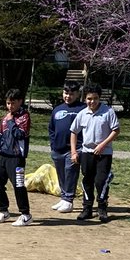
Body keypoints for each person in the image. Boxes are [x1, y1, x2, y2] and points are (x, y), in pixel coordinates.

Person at [70, 83, 120, 223]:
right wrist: (74, 152)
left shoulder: (108, 112)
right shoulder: (82, 114)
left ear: (99, 98)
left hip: (104, 153)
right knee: (87, 180)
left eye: (95, 98)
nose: (92, 102)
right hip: (87, 152)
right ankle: (87, 208)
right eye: (89, 99)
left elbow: (116, 130)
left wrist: (103, 144)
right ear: (85, 99)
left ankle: (102, 207)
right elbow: (73, 132)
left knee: (100, 181)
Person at [0, 88, 32, 226]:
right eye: (8, 103)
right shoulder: (5, 118)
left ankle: (26, 214)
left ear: (20, 102)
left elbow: (20, 135)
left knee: (18, 185)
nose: (10, 106)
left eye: (13, 103)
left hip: (17, 158)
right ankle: (3, 211)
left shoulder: (24, 117)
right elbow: (0, 137)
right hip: (3, 156)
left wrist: (11, 122)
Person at [48, 80, 83, 212]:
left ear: (78, 94)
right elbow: (51, 128)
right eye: (66, 93)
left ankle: (69, 200)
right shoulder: (57, 109)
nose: (68, 96)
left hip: (73, 149)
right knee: (61, 174)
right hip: (58, 149)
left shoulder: (83, 109)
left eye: (71, 94)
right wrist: (53, 144)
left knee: (70, 173)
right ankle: (63, 198)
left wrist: (79, 147)